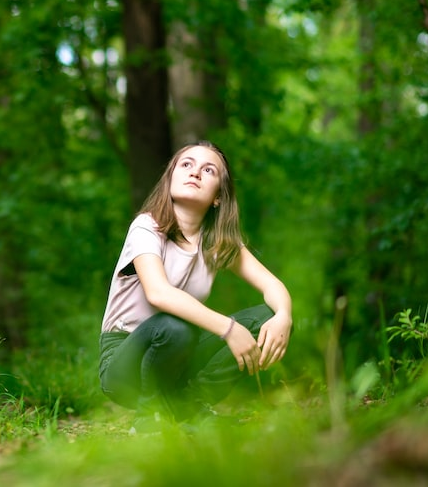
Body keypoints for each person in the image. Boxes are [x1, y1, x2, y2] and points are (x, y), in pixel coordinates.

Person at [99, 141, 292, 431]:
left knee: (267, 318)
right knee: (174, 326)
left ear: (217, 197)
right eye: (187, 164)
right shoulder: (146, 227)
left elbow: (271, 285)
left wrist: (284, 316)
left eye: (208, 169)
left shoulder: (216, 242)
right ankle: (149, 414)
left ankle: (187, 404)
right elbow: (159, 294)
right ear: (171, 177)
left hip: (180, 354)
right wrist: (229, 328)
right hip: (124, 361)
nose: (195, 173)